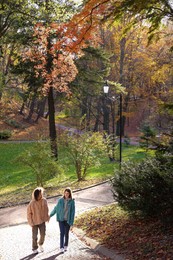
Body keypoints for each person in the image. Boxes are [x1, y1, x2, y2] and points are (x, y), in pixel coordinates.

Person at [49, 187, 75, 253]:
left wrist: (71, 223)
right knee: (62, 233)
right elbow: (56, 208)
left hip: (68, 220)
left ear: (69, 194)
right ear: (64, 193)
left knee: (66, 233)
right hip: (61, 219)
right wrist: (50, 215)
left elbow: (72, 212)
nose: (66, 194)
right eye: (65, 193)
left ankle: (65, 245)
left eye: (68, 193)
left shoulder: (72, 201)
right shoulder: (60, 200)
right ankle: (61, 247)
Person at [27, 187, 49, 254]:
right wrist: (31, 222)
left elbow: (46, 210)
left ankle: (40, 244)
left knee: (43, 234)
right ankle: (34, 248)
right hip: (34, 222)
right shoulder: (32, 203)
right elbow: (29, 213)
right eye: (40, 194)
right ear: (36, 194)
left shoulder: (44, 200)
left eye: (41, 193)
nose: (41, 195)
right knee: (34, 236)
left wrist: (47, 217)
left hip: (42, 221)